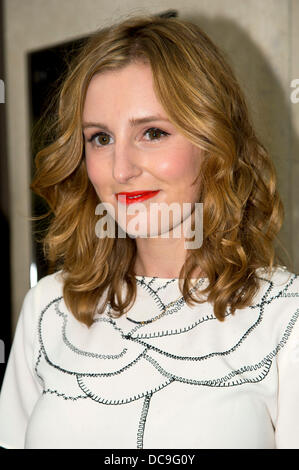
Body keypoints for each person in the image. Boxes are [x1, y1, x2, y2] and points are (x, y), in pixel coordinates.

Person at [0, 13, 298, 450]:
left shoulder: (284, 316)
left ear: (213, 143)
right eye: (100, 138)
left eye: (152, 133)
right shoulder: (49, 308)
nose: (120, 169)